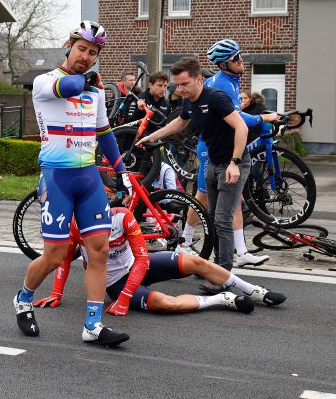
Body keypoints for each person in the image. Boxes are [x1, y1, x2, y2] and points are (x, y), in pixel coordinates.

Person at [13, 20, 131, 347]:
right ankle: (23, 299)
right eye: (82, 49)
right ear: (69, 45)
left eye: (92, 53)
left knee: (99, 251)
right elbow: (69, 88)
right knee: (55, 255)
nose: (86, 56)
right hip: (57, 179)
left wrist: (120, 170)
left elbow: (104, 133)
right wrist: (87, 80)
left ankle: (93, 325)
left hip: (89, 178)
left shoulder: (93, 90)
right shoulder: (45, 81)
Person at [137, 55, 282, 279]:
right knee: (213, 217)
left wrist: (234, 163)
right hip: (213, 162)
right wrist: (152, 136)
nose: (181, 89)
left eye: (185, 84)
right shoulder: (189, 100)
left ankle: (223, 276)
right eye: (178, 85)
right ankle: (216, 269)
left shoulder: (216, 98)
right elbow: (181, 122)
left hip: (233, 163)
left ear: (198, 80)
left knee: (223, 220)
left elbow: (241, 128)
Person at [35, 207, 286, 314]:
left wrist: (125, 300)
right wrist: (57, 293)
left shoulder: (123, 217)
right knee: (168, 304)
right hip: (114, 283)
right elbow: (64, 260)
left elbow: (143, 259)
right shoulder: (77, 226)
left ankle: (252, 290)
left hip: (138, 267)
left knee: (195, 261)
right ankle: (222, 299)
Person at [186, 44, 278, 267]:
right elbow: (239, 120)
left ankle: (242, 251)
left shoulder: (231, 81)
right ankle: (185, 240)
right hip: (211, 148)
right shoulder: (222, 85)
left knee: (233, 201)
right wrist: (264, 118)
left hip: (223, 146)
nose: (241, 62)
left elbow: (235, 114)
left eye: (240, 57)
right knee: (202, 197)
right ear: (223, 64)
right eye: (236, 59)